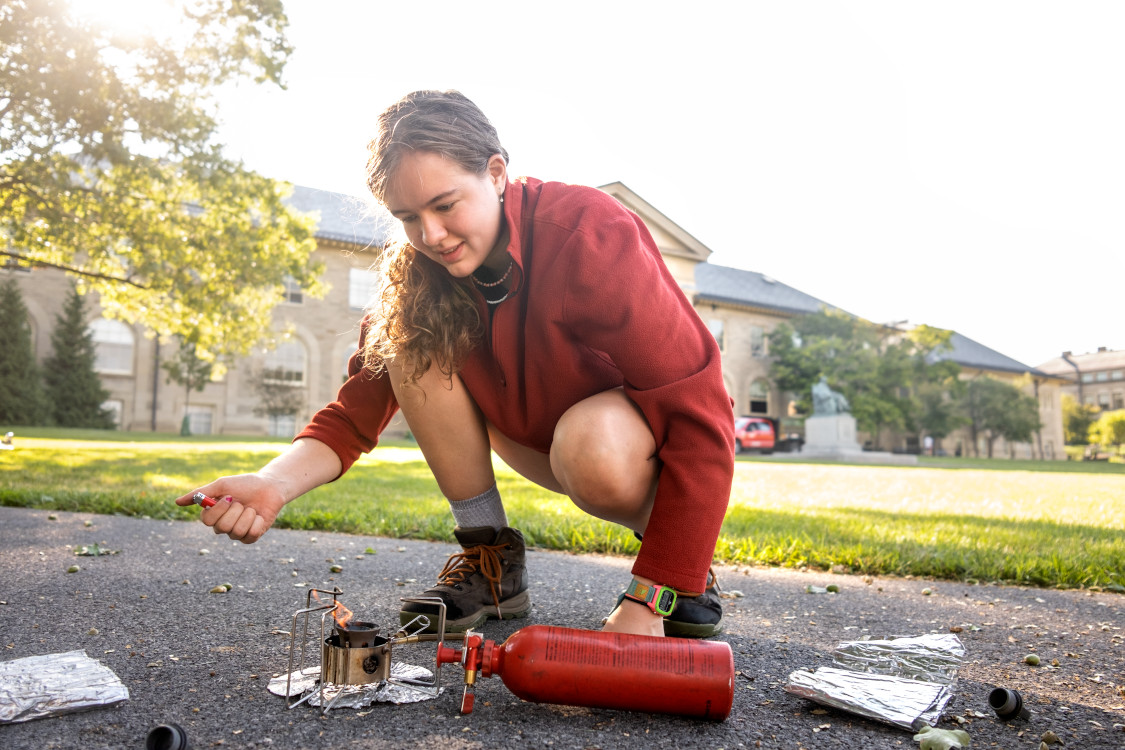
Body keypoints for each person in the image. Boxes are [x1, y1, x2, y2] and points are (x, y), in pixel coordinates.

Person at [176, 90, 734, 638]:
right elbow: (354, 415)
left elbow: (701, 416)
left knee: (593, 444)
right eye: (408, 217)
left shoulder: (588, 234)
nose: (431, 236)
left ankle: (683, 561)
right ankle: (491, 563)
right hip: (532, 435)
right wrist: (272, 484)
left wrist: (651, 592)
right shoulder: (413, 276)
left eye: (444, 206)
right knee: (408, 346)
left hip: (623, 449)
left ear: (495, 173)